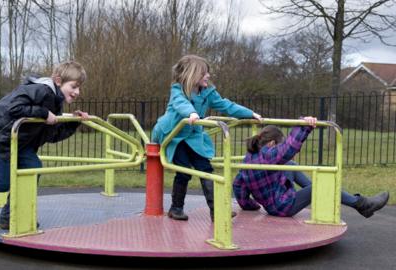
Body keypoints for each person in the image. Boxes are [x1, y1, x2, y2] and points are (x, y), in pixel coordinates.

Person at [0, 60, 89, 230]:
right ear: (58, 81)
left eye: (79, 88)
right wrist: (43, 113)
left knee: (33, 168)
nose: (77, 92)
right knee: (0, 183)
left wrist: (73, 123)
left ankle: (11, 216)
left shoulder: (55, 103)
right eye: (73, 86)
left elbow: (51, 135)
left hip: (18, 143)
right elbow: (14, 107)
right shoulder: (41, 90)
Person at [151, 55, 262, 222]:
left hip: (193, 136)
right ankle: (176, 208)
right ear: (192, 74)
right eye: (204, 73)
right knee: (184, 171)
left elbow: (226, 105)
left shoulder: (208, 92)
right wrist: (192, 113)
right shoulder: (178, 90)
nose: (208, 76)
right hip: (175, 135)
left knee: (205, 169)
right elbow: (181, 103)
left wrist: (249, 113)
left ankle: (217, 211)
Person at [233, 116, 389, 218]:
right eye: (278, 144)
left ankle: (314, 189)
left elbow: (238, 187)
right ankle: (362, 204)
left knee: (290, 164)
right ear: (272, 143)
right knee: (323, 184)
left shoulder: (248, 160)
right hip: (283, 207)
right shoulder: (267, 156)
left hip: (273, 202)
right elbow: (288, 149)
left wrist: (251, 205)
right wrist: (304, 125)